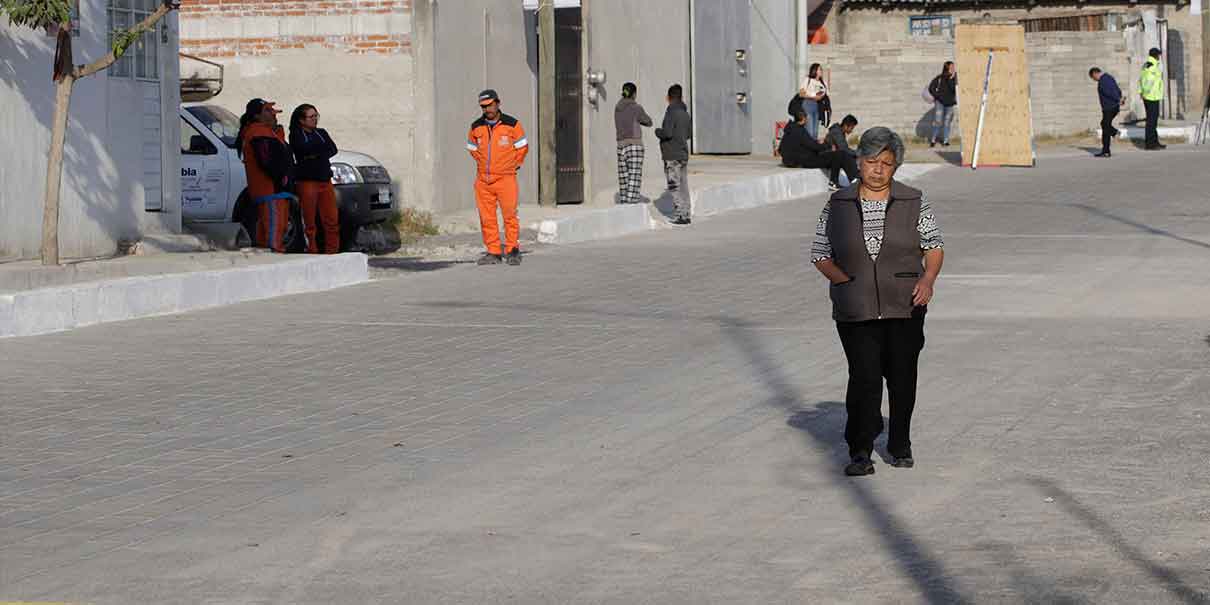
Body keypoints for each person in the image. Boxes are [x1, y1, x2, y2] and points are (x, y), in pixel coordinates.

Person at [810, 126, 945, 477]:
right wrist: (846, 282)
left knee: (902, 378)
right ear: (858, 162)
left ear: (896, 166)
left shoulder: (914, 200)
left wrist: (927, 280)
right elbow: (820, 254)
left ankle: (900, 443)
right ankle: (860, 450)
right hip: (856, 309)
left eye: (886, 163)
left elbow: (933, 246)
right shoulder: (838, 203)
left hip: (905, 305)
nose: (878, 169)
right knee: (864, 378)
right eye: (871, 161)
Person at [467, 89, 529, 266]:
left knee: (509, 215)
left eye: (489, 105)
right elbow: (472, 148)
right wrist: (483, 164)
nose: (487, 109)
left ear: (498, 103)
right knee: (487, 217)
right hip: (483, 181)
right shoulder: (475, 127)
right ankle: (493, 252)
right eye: (483, 106)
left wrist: (513, 165)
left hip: (506, 179)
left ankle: (512, 250)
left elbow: (522, 147)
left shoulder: (512, 124)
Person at [235, 98, 294, 253]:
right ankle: (273, 257)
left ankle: (266, 258)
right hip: (271, 189)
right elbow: (267, 160)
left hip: (274, 190)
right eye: (268, 111)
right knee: (275, 230)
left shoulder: (267, 132)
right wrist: (282, 177)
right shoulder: (258, 132)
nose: (274, 114)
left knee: (268, 229)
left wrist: (277, 130)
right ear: (257, 116)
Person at [288, 104, 341, 253]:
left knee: (331, 218)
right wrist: (318, 152)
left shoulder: (321, 133)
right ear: (301, 120)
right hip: (307, 181)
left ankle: (333, 250)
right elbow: (302, 150)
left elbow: (332, 149)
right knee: (309, 219)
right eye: (311, 117)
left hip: (325, 180)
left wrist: (315, 154)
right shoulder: (296, 135)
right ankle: (311, 249)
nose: (315, 120)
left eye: (316, 116)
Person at [779, 110, 856, 190]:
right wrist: (827, 146)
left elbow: (781, 149)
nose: (807, 120)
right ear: (802, 118)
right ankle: (841, 181)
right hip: (804, 160)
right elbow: (813, 146)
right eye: (806, 118)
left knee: (839, 155)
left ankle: (853, 180)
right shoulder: (799, 130)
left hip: (798, 159)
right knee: (839, 155)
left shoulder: (790, 129)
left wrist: (817, 143)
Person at [655, 83, 693, 225]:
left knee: (674, 185)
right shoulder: (685, 113)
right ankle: (687, 213)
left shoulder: (671, 112)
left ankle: (680, 215)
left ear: (668, 97)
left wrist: (658, 132)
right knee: (683, 185)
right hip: (683, 153)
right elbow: (688, 134)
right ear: (681, 97)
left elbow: (667, 133)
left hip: (671, 154)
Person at [615, 82, 654, 204]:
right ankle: (631, 205)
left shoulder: (617, 108)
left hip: (621, 146)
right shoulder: (636, 108)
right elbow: (648, 121)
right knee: (634, 176)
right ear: (634, 94)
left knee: (624, 178)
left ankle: (624, 202)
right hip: (634, 145)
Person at [1088, 67, 1124, 158]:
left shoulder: (1103, 81)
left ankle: (1106, 151)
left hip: (1109, 107)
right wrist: (1120, 98)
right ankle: (1115, 133)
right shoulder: (1109, 77)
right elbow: (1117, 89)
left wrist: (1118, 99)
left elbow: (1109, 92)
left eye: (1093, 78)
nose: (1094, 80)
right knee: (1104, 124)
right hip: (1113, 107)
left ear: (1095, 74)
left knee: (1105, 129)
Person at [1140, 47, 1166, 150]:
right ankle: (1150, 144)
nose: (1159, 57)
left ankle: (1155, 142)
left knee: (1153, 121)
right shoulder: (1151, 66)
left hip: (1152, 96)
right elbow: (1147, 81)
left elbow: (1140, 79)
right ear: (1156, 56)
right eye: (1158, 55)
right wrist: (1145, 92)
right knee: (1151, 122)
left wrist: (1141, 92)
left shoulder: (1148, 64)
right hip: (1151, 97)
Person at [927, 61, 958, 147]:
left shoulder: (955, 78)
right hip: (939, 103)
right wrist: (937, 96)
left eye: (954, 67)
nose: (953, 68)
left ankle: (945, 141)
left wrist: (952, 79)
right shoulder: (939, 77)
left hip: (950, 103)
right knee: (937, 121)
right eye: (951, 67)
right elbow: (931, 87)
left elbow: (954, 90)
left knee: (947, 122)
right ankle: (933, 140)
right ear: (947, 67)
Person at [824, 114, 860, 184]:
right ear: (846, 125)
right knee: (848, 156)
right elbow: (843, 149)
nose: (852, 130)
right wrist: (857, 153)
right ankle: (854, 179)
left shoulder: (840, 132)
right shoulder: (837, 132)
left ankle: (855, 177)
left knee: (850, 156)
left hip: (835, 156)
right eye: (851, 128)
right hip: (829, 157)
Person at [798, 63, 828, 140]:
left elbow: (825, 93)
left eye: (821, 69)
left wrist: (820, 96)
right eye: (819, 69)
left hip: (818, 106)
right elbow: (801, 94)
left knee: (815, 132)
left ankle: (813, 150)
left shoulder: (823, 83)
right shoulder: (808, 80)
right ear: (814, 70)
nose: (821, 71)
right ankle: (807, 150)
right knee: (809, 131)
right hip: (808, 104)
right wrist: (813, 96)